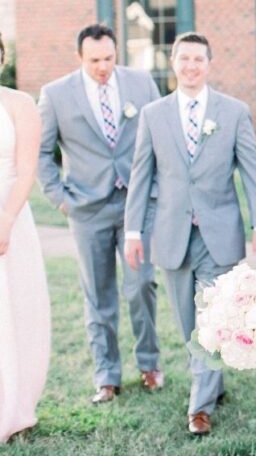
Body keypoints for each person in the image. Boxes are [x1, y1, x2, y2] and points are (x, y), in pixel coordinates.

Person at [123, 32, 256, 436]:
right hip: (170, 234)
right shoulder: (153, 115)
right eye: (183, 59)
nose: (191, 66)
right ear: (173, 63)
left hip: (219, 233)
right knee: (187, 321)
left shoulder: (233, 111)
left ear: (209, 64)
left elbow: (251, 171)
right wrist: (133, 230)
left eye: (198, 60)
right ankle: (213, 380)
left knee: (212, 319)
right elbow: (141, 177)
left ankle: (199, 407)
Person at [37, 24, 162, 405]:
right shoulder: (56, 95)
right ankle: (107, 375)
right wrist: (61, 198)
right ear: (80, 58)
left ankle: (149, 364)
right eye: (94, 61)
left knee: (141, 285)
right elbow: (42, 154)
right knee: (98, 294)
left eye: (109, 58)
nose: (103, 67)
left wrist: (157, 190)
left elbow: (161, 136)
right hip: (86, 210)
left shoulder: (141, 84)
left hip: (136, 206)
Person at [0, 33, 50, 443]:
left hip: (10, 216)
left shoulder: (19, 104)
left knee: (15, 310)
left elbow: (27, 168)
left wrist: (5, 218)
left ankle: (14, 407)